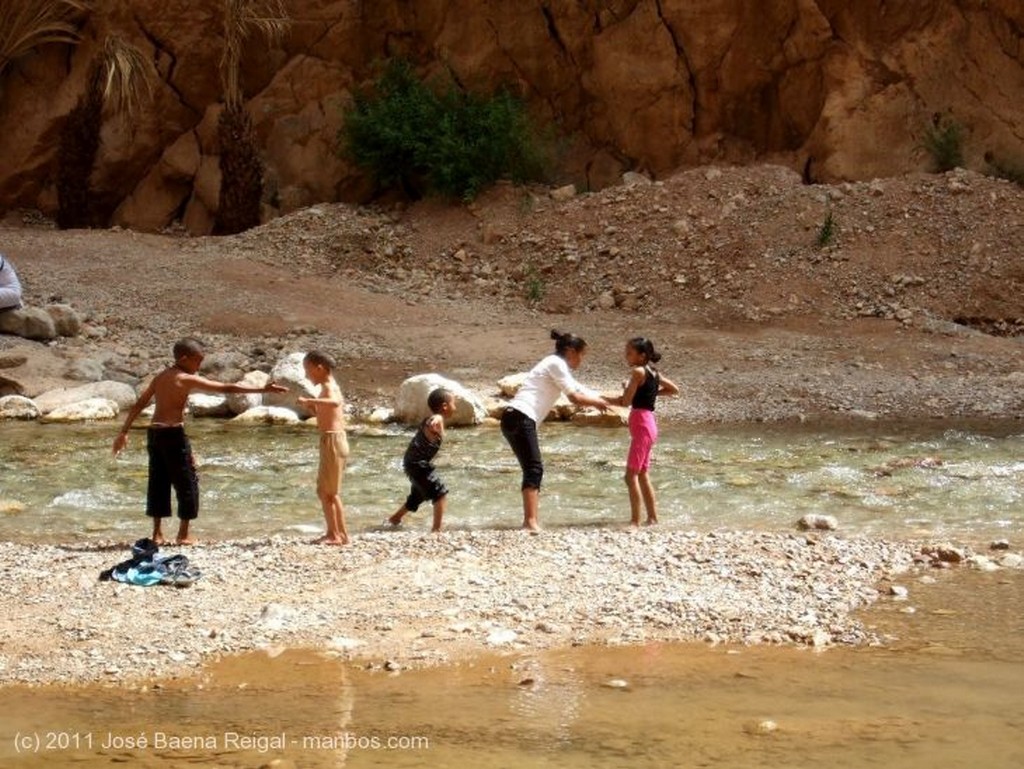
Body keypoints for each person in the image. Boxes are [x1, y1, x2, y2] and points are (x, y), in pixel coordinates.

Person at [112, 337, 287, 545]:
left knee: (158, 481)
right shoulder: (185, 378)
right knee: (187, 482)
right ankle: (183, 534)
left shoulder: (161, 377)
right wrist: (262, 390)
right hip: (173, 436)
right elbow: (225, 388)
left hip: (155, 434)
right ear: (184, 359)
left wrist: (123, 431)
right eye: (198, 360)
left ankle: (157, 534)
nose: (199, 365)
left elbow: (140, 404)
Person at [501, 329, 612, 532]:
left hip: (514, 417)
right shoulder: (555, 363)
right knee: (534, 468)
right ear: (570, 351)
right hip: (520, 416)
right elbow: (575, 398)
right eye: (581, 354)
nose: (581, 359)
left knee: (532, 468)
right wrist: (598, 403)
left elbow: (582, 390)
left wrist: (612, 400)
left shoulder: (555, 365)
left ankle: (530, 521)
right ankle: (530, 522)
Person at [608, 337, 679, 526]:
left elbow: (625, 402)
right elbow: (674, 389)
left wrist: (599, 399)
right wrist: (652, 392)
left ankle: (635, 521)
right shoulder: (654, 372)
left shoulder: (638, 372)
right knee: (642, 473)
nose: (626, 356)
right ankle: (652, 518)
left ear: (642, 355)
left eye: (630, 352)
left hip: (641, 425)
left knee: (630, 475)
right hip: (649, 424)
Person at [297, 350, 350, 545]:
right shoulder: (326, 388)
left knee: (329, 492)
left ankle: (337, 535)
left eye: (308, 370)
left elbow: (335, 403)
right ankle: (337, 533)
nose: (306, 375)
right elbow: (327, 413)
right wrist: (313, 408)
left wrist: (311, 400)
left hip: (333, 441)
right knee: (324, 491)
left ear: (320, 368)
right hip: (329, 440)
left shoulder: (329, 387)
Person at [388, 387, 457, 533]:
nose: (455, 407)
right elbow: (434, 419)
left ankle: (394, 519)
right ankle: (436, 530)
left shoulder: (435, 420)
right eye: (453, 403)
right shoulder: (435, 420)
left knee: (418, 496)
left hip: (411, 463)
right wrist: (436, 419)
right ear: (445, 406)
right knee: (440, 493)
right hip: (417, 464)